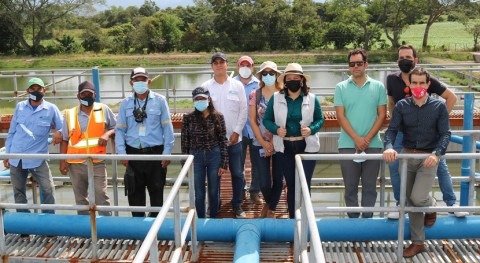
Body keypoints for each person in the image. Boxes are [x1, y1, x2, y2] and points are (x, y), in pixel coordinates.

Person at [386, 44, 467, 219]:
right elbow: (391, 102)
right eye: (401, 57)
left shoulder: (425, 78)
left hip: (427, 131)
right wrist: (395, 121)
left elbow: (451, 97)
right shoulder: (392, 79)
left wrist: (437, 120)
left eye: (408, 57)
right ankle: (401, 203)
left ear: (415, 59)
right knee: (394, 164)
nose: (404, 60)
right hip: (403, 131)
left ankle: (451, 203)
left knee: (440, 166)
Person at [383, 67, 450, 258]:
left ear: (428, 85)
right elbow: (392, 130)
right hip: (407, 156)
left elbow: (446, 134)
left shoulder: (439, 107)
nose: (418, 86)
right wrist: (389, 146)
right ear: (409, 84)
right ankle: (418, 242)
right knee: (410, 199)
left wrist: (437, 154)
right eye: (415, 83)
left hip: (428, 158)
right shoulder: (402, 106)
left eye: (422, 83)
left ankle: (432, 205)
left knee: (419, 198)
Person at [263, 63, 324, 219]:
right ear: (285, 81)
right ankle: (293, 220)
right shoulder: (276, 98)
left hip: (307, 146)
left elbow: (320, 120)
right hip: (285, 147)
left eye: (296, 78)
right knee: (291, 185)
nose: (292, 81)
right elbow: (267, 120)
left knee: (304, 185)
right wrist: (276, 130)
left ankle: (305, 219)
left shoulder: (312, 98)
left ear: (302, 80)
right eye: (289, 78)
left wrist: (311, 129)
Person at [334, 48, 387, 218]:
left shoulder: (378, 87)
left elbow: (382, 115)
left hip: (373, 145)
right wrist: (357, 139)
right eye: (352, 64)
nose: (356, 67)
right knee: (350, 187)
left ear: (366, 64)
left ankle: (367, 227)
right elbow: (340, 116)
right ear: (348, 66)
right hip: (348, 145)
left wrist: (367, 139)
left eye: (359, 63)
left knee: (370, 187)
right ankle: (353, 226)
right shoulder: (341, 87)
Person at [115, 67, 175, 217]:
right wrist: (122, 154)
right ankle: (139, 233)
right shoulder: (125, 104)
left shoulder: (160, 101)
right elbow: (120, 130)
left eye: (143, 79)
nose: (140, 82)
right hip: (133, 154)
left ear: (149, 82)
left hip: (155, 154)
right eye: (137, 80)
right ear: (131, 82)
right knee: (135, 195)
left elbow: (167, 128)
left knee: (156, 195)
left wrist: (167, 153)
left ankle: (155, 231)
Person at [3, 77, 63, 214]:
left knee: (48, 189)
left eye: (39, 89)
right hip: (16, 157)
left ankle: (49, 227)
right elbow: (12, 132)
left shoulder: (51, 109)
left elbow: (63, 126)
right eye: (33, 89)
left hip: (38, 157)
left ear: (44, 90)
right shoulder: (20, 107)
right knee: (18, 192)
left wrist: (58, 132)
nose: (36, 91)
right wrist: (8, 153)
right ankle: (25, 229)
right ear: (27, 91)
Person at [201, 52, 248, 218]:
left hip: (234, 140)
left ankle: (237, 205)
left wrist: (236, 131)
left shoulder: (237, 86)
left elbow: (244, 110)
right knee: (214, 176)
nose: (219, 65)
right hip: (213, 143)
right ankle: (214, 205)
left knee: (237, 173)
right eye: (216, 62)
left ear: (227, 65)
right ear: (212, 66)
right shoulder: (205, 87)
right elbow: (201, 113)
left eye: (222, 62)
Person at [59, 81, 116, 216]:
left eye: (89, 94)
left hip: (97, 161)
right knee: (81, 199)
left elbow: (116, 127)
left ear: (94, 95)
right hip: (75, 163)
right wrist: (63, 161)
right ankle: (86, 232)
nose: (86, 96)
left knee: (101, 196)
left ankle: (106, 231)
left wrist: (107, 134)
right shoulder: (70, 114)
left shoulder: (103, 109)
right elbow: (65, 139)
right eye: (83, 94)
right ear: (78, 96)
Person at [181, 87, 228, 218]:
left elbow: (223, 140)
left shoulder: (218, 117)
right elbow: (185, 142)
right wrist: (184, 164)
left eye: (202, 98)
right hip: (195, 157)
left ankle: (213, 217)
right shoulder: (188, 118)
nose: (200, 101)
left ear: (208, 99)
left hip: (214, 155)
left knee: (213, 191)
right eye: (197, 99)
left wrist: (224, 162)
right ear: (193, 101)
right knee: (199, 192)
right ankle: (200, 220)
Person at [249, 61, 284, 218]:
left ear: (277, 75)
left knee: (278, 178)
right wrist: (263, 143)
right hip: (259, 143)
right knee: (263, 181)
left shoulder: (284, 93)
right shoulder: (255, 95)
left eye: (271, 73)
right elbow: (252, 120)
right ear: (261, 76)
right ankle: (270, 203)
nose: (268, 76)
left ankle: (271, 207)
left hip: (280, 143)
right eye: (265, 73)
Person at [235, 55, 262, 205]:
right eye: (242, 65)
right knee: (238, 164)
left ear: (253, 67)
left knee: (257, 163)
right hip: (238, 131)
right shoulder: (232, 85)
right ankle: (240, 191)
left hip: (255, 130)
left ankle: (255, 191)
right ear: (238, 67)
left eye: (248, 65)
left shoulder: (259, 85)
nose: (245, 68)